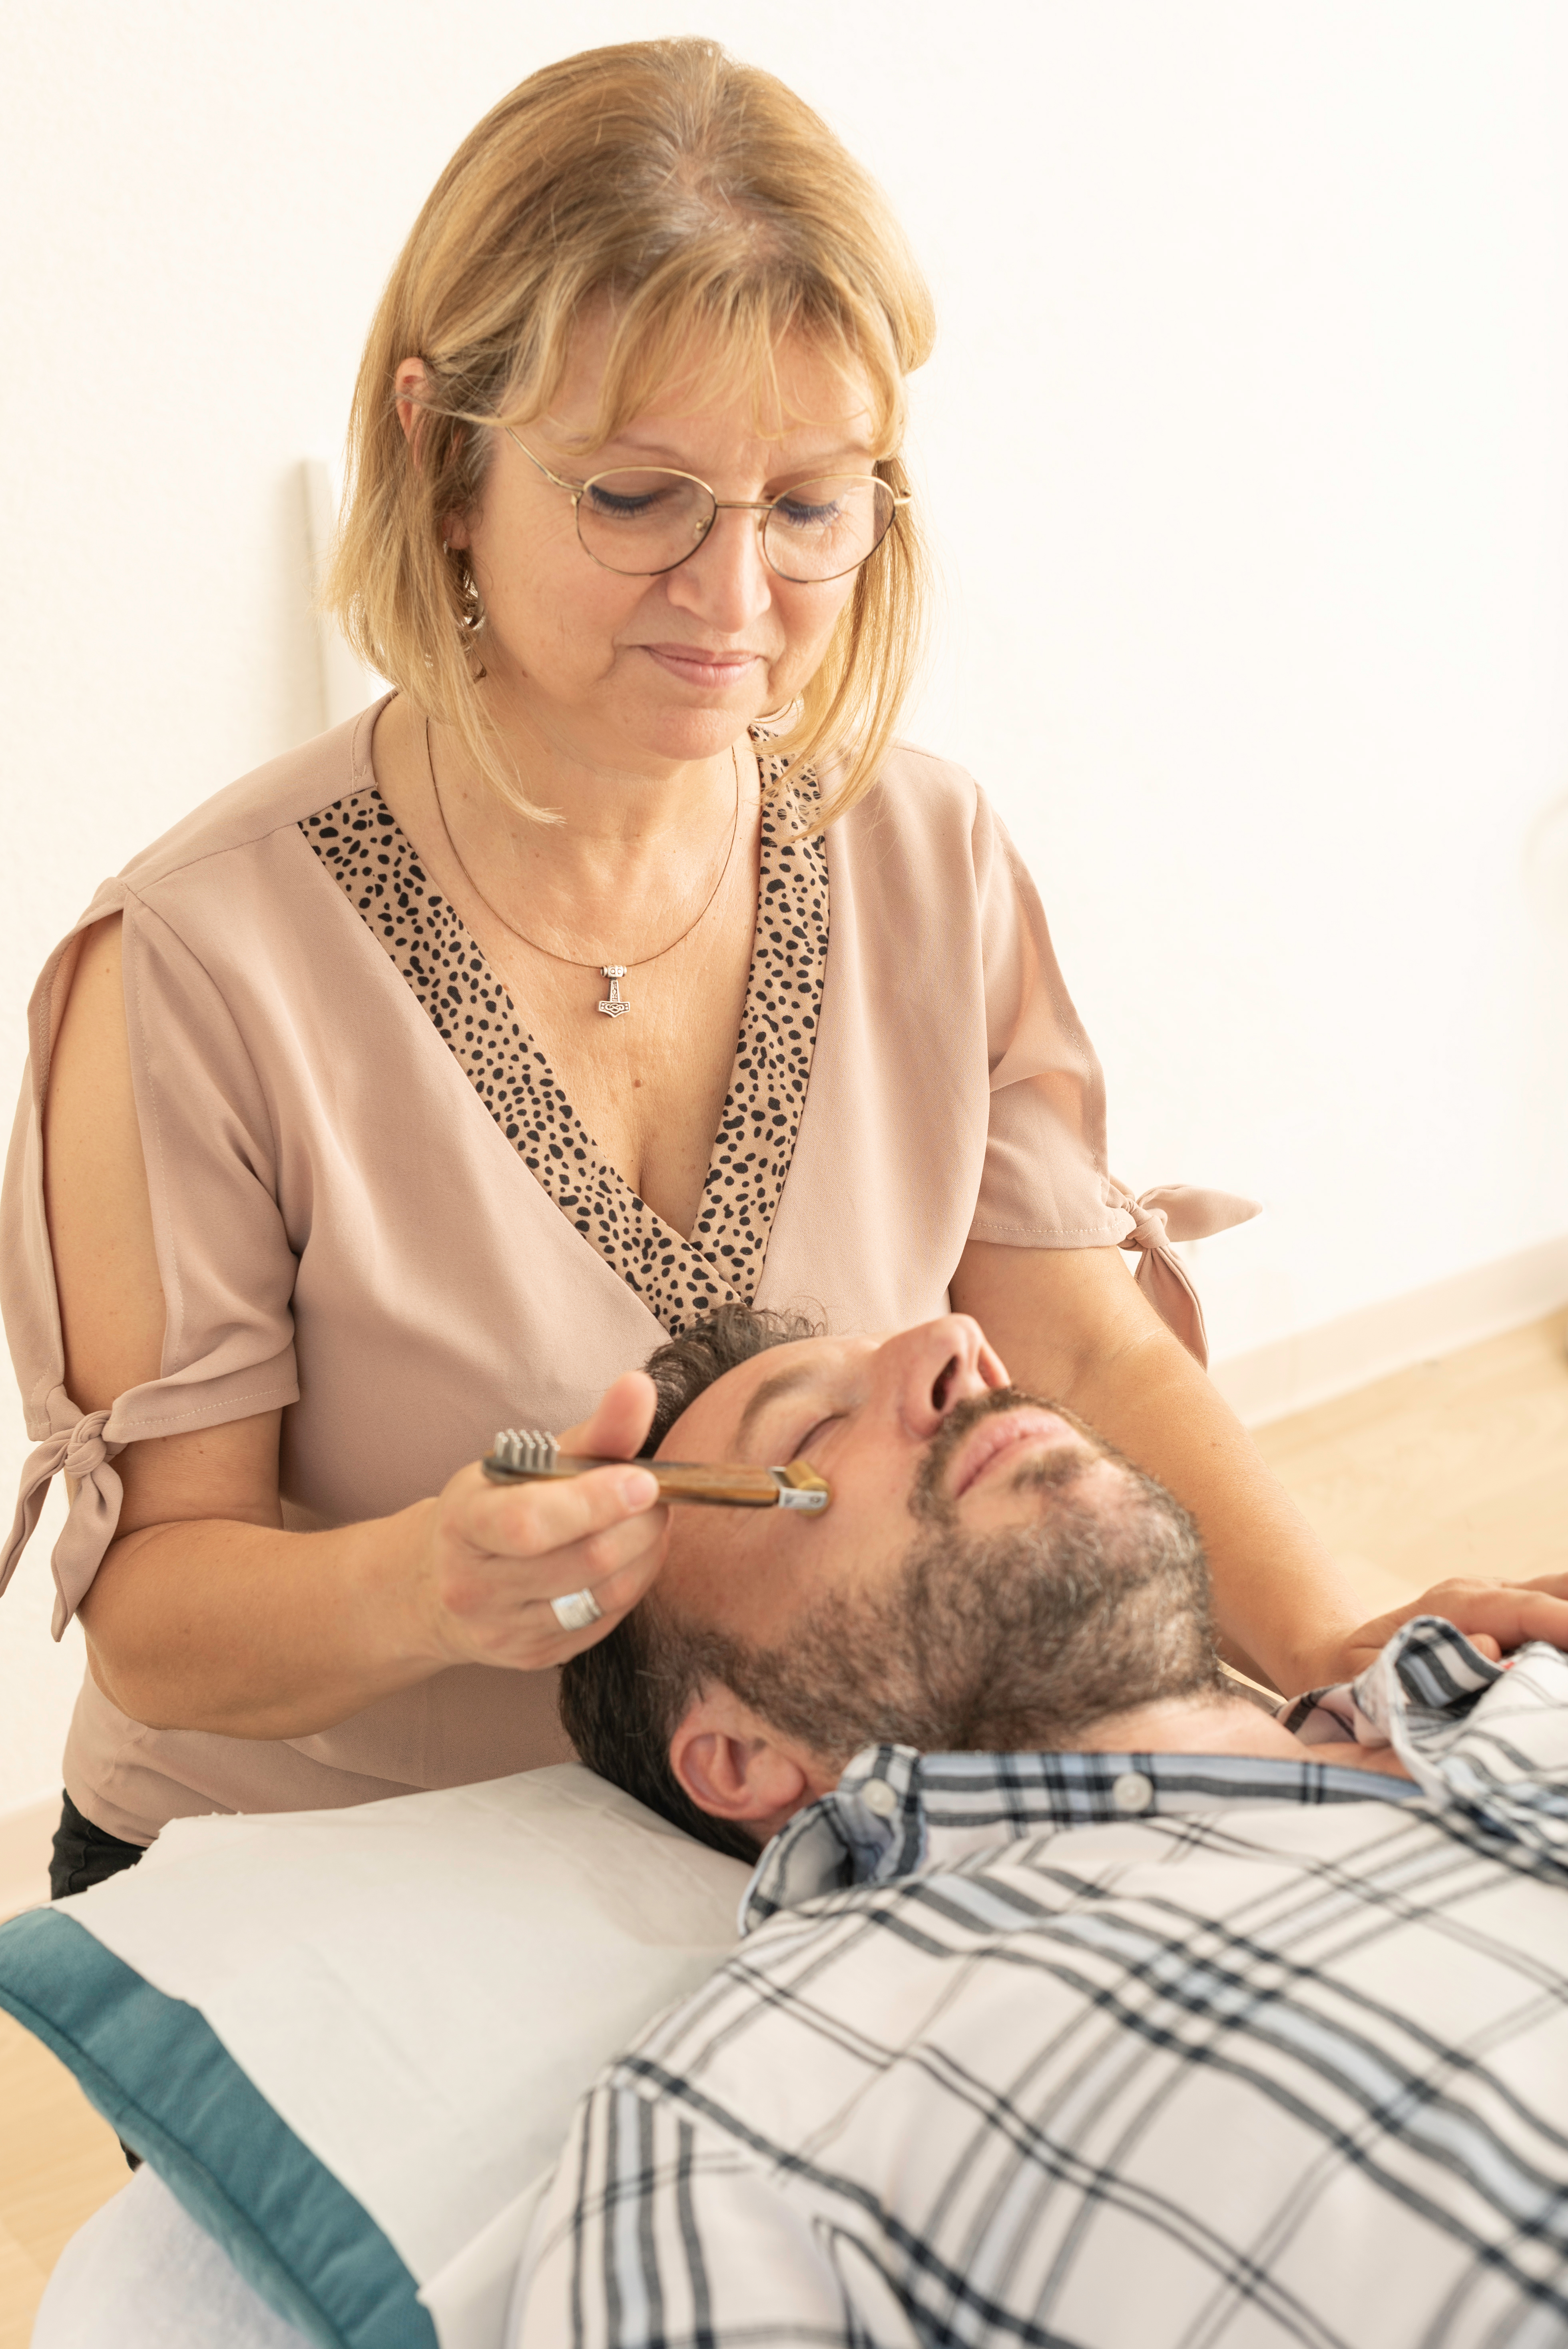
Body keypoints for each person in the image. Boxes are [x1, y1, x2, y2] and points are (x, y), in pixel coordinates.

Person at [5, 37, 1379, 1882]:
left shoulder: (925, 850)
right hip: (310, 1874)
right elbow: (163, 1610)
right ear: (445, 455)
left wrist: (1350, 1647)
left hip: (758, 1839)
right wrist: (426, 1584)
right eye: (636, 498)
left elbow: (1081, 1345)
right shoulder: (198, 964)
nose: (738, 604)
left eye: (811, 505)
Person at [517, 1303, 1568, 2347]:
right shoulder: (749, 2108)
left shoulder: (1511, 1670)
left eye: (953, 1343)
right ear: (741, 1754)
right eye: (807, 1434)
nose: (960, 1343)